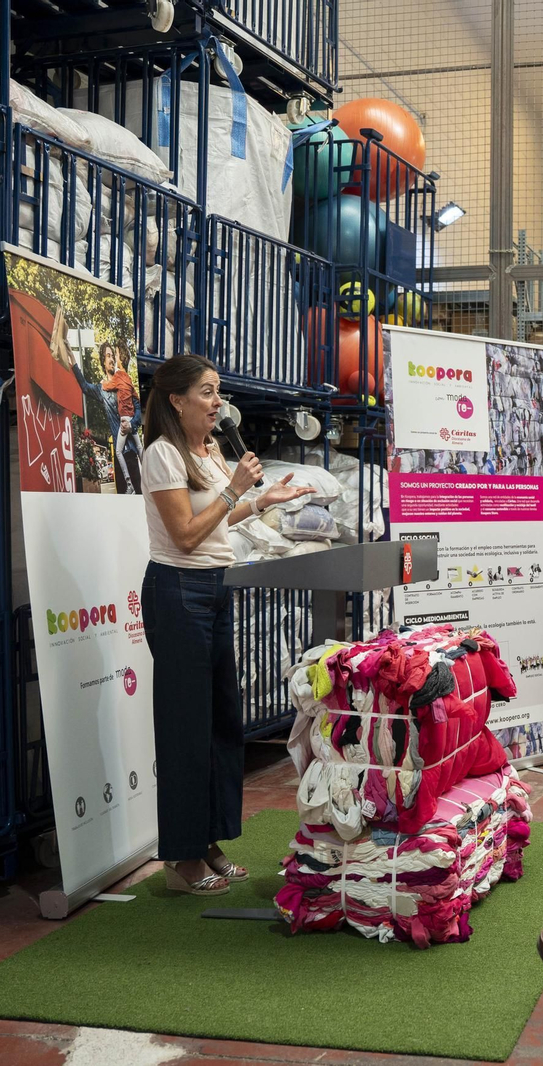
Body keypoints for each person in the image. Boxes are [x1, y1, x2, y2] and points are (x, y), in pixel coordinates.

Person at [140, 355, 314, 894]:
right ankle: (181, 859)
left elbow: (218, 520)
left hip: (215, 590)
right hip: (178, 591)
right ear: (177, 400)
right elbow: (186, 534)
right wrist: (236, 490)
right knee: (185, 729)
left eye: (219, 392)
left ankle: (208, 842)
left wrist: (262, 500)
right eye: (207, 392)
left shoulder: (210, 449)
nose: (218, 403)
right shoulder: (162, 453)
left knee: (221, 724)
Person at [71, 340, 142, 494]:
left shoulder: (124, 380)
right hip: (119, 455)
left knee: (140, 497)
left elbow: (138, 408)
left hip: (131, 453)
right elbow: (84, 386)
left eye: (113, 355)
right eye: (108, 356)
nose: (112, 359)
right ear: (103, 362)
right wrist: (73, 362)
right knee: (122, 498)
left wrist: (132, 424)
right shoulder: (101, 390)